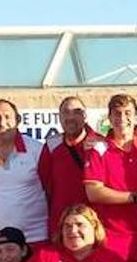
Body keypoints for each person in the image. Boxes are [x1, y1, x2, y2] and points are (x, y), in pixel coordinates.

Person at [0, 99, 51, 262]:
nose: (2, 122)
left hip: (34, 237)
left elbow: (50, 190)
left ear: (18, 120)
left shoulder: (38, 150)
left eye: (7, 117)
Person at [83, 94, 137, 262]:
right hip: (109, 237)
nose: (122, 118)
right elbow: (93, 192)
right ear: (109, 118)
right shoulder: (98, 149)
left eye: (127, 113)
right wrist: (135, 197)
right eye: (117, 113)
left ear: (136, 117)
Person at [42, 97, 104, 232]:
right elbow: (45, 185)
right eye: (65, 112)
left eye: (76, 112)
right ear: (59, 117)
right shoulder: (52, 145)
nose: (70, 117)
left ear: (85, 116)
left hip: (93, 224)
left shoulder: (101, 144)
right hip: (60, 224)